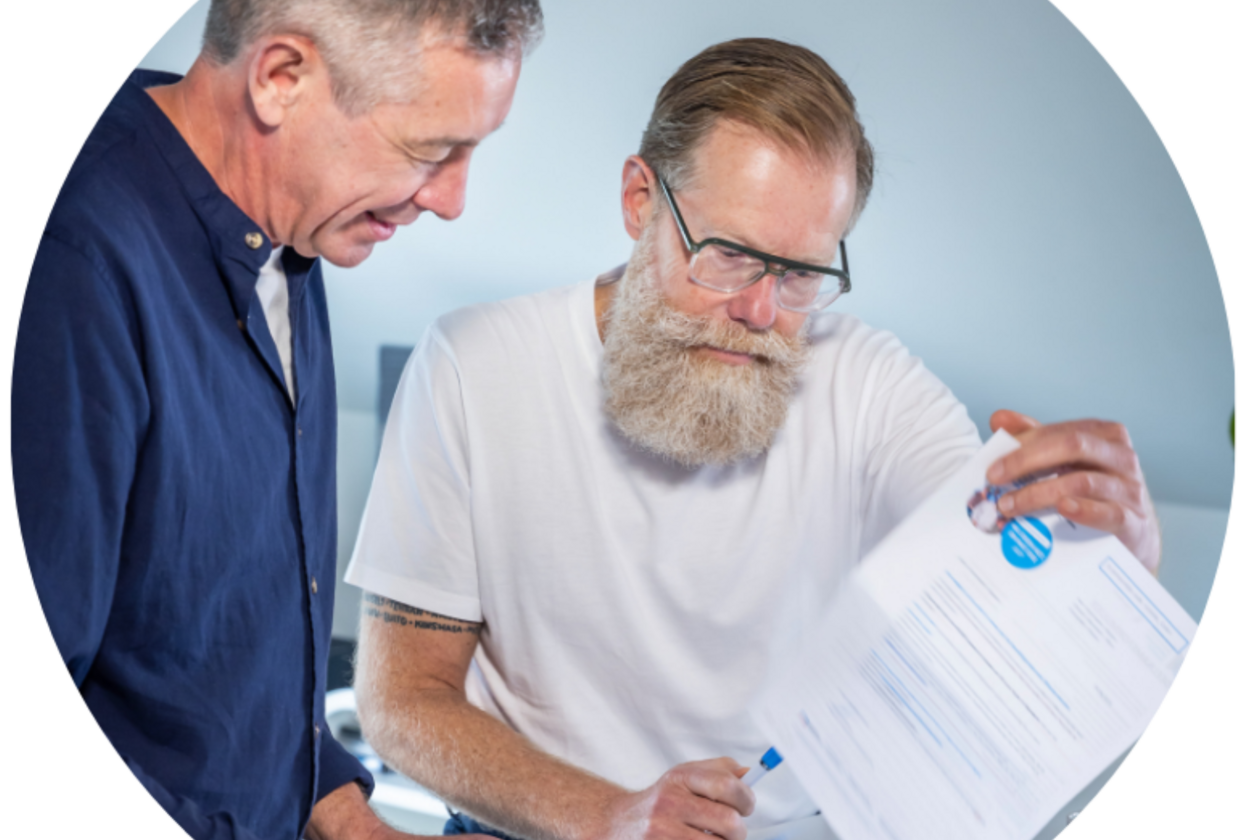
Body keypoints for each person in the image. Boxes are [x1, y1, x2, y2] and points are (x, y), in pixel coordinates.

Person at [345, 38, 1162, 840]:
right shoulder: (472, 365)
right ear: (640, 201)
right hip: (538, 825)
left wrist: (1109, 555)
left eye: (801, 274)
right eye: (730, 255)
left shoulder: (870, 386)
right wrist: (610, 817)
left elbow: (1002, 568)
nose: (763, 313)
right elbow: (403, 703)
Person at [13, 1, 542, 838]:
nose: (452, 200)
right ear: (280, 79)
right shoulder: (75, 268)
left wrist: (339, 808)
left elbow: (230, 631)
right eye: (429, 151)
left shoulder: (289, 221)